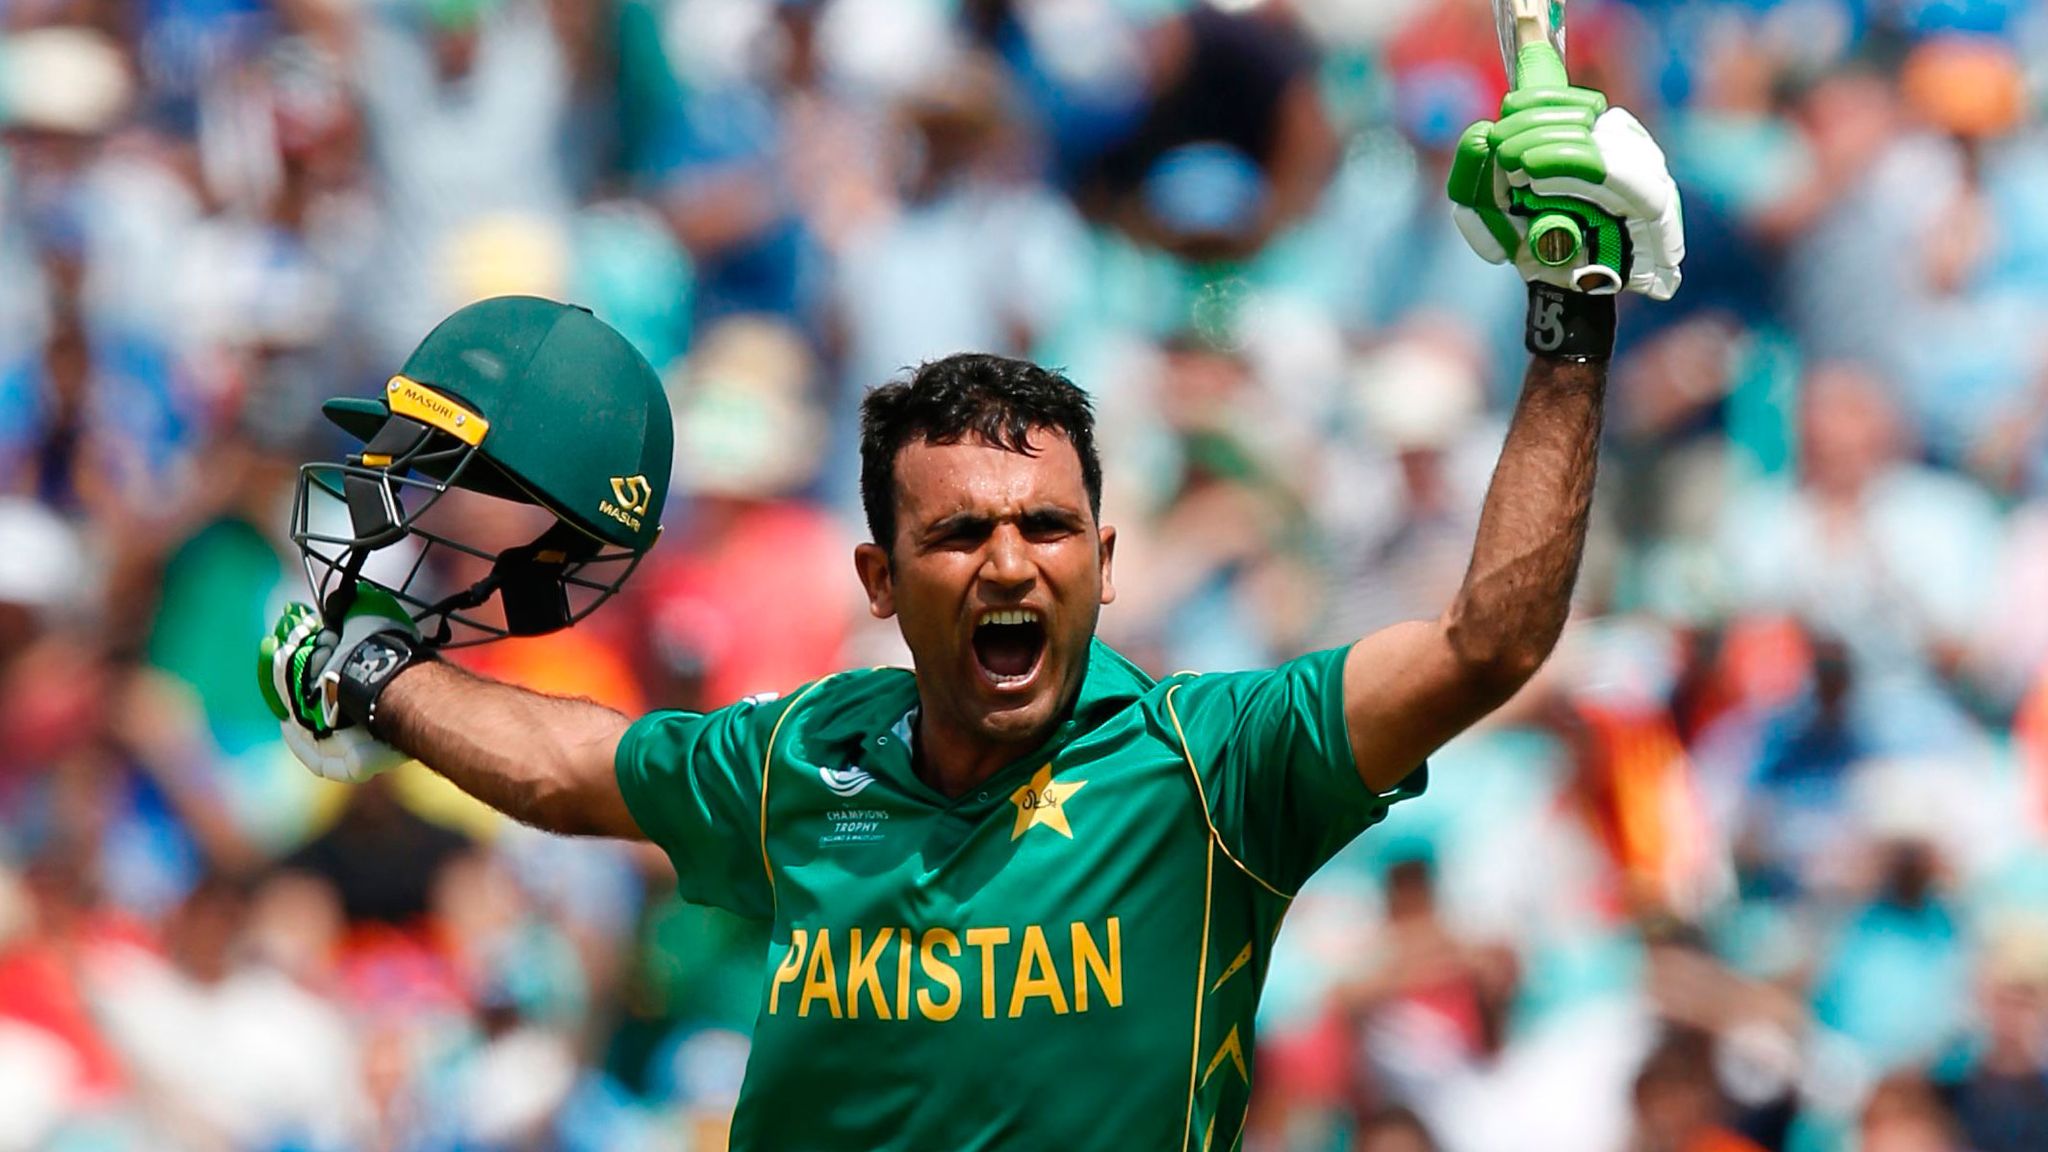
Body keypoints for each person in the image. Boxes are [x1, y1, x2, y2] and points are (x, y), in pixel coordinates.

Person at [260, 78, 1683, 1148]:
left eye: (1048, 526)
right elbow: (572, 771)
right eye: (958, 534)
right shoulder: (802, 759)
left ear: (1107, 561)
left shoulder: (1217, 768)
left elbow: (1488, 643)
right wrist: (368, 678)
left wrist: (1570, 324)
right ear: (880, 582)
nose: (1012, 563)